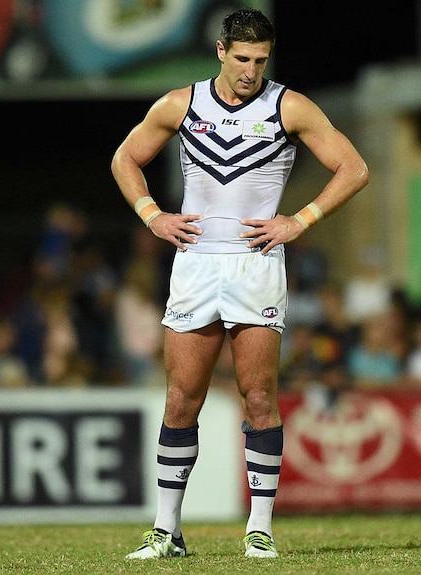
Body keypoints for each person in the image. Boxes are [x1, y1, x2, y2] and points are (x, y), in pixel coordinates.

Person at [111, 7, 368, 560]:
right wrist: (152, 213)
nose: (252, 70)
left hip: (255, 263)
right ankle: (165, 532)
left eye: (261, 59)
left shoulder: (289, 106)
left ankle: (260, 529)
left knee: (259, 397)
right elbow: (124, 158)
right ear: (222, 51)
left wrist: (299, 221)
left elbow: (354, 168)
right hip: (197, 263)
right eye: (243, 58)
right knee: (182, 398)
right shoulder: (181, 104)